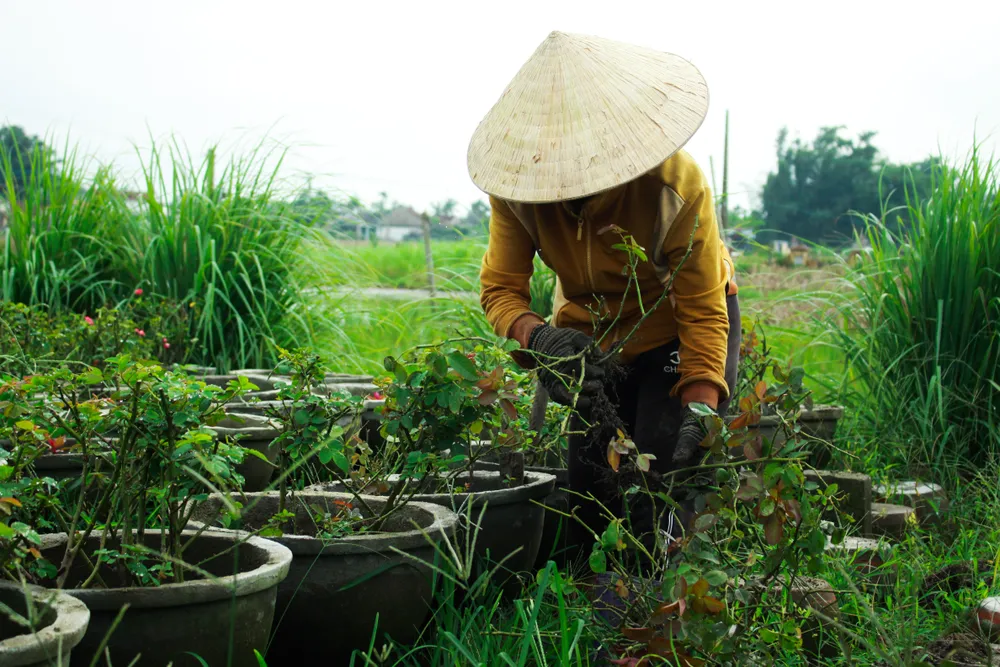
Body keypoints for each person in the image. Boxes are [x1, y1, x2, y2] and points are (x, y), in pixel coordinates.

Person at [467, 31, 741, 549]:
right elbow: (501, 291)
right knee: (593, 490)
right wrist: (540, 340)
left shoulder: (673, 185)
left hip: (676, 326)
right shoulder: (518, 190)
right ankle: (593, 606)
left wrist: (701, 406)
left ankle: (663, 595)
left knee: (663, 480)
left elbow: (703, 314)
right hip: (587, 340)